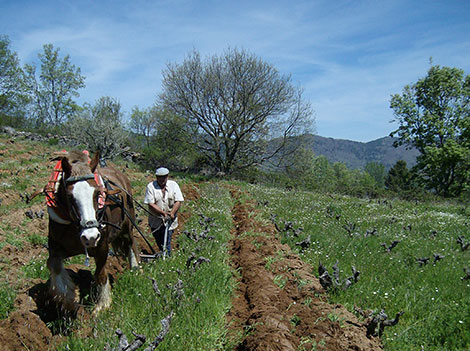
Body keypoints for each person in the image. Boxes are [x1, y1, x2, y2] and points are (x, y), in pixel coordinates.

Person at [143, 167, 184, 257]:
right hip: (156, 221)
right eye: (160, 177)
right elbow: (150, 203)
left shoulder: (173, 185)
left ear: (167, 176)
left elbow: (178, 201)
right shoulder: (151, 186)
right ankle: (163, 253)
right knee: (159, 240)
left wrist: (172, 213)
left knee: (167, 241)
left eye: (164, 177)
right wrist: (163, 213)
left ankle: (167, 258)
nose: (162, 179)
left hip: (170, 220)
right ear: (156, 177)